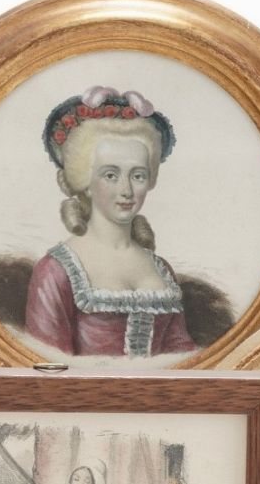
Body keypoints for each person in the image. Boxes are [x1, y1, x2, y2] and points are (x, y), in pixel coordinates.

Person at [23, 87, 196, 359]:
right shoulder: (56, 271)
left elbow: (184, 359)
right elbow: (47, 366)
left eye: (138, 176)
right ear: (85, 181)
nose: (126, 190)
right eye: (111, 175)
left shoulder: (161, 269)